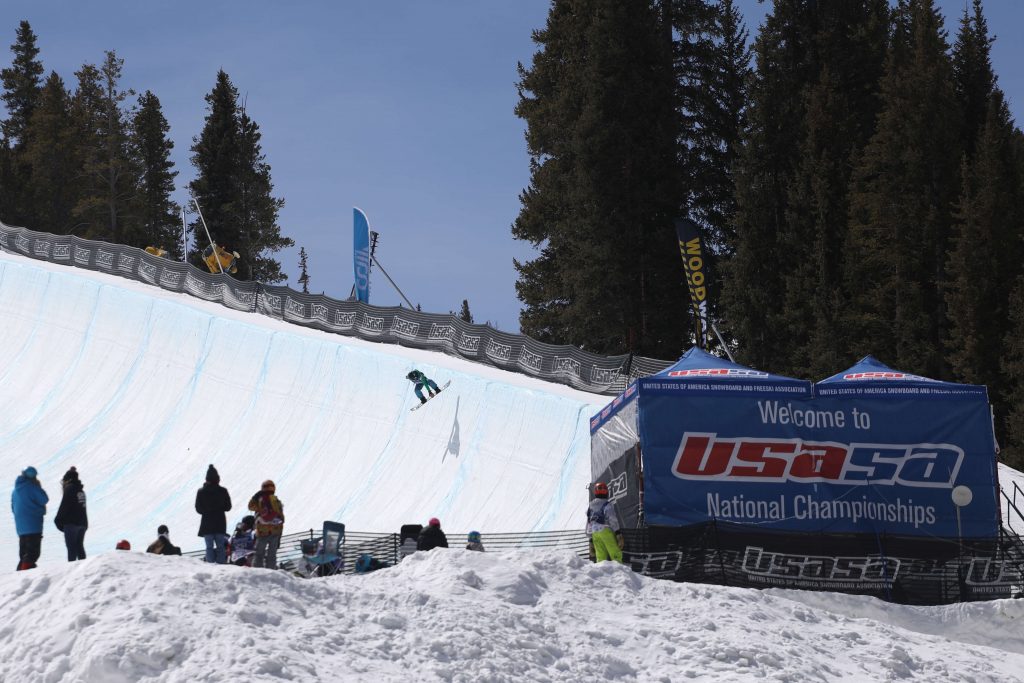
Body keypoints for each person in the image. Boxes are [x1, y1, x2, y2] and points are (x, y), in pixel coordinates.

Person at [11, 466, 49, 570]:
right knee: (32, 554)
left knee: (24, 554)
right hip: (33, 525)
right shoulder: (32, 487)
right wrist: (39, 487)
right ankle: (24, 571)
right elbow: (44, 499)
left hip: (21, 528)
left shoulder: (15, 490)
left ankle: (21, 574)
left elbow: (13, 508)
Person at [195, 464, 232, 564]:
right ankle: (221, 566)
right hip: (220, 522)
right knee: (220, 546)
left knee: (209, 547)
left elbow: (198, 508)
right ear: (218, 479)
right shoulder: (223, 491)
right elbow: (228, 507)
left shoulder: (201, 492)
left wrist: (207, 511)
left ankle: (210, 566)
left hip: (207, 523)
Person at [54, 466, 88, 562]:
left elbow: (64, 506)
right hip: (82, 524)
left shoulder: (69, 489)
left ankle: (71, 572)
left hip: (71, 524)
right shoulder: (81, 491)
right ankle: (85, 569)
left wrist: (57, 520)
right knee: (79, 547)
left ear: (67, 480)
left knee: (72, 548)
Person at [248, 480, 284, 569]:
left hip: (262, 530)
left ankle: (257, 571)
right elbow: (282, 518)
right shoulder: (277, 501)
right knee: (272, 554)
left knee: (259, 553)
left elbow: (250, 506)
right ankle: (271, 571)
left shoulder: (259, 499)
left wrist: (255, 496)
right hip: (275, 530)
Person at [586, 482, 624, 563]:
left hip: (594, 533)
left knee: (600, 557)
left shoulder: (591, 506)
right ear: (606, 492)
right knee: (615, 554)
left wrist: (590, 540)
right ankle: (620, 574)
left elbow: (589, 522)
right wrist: (618, 533)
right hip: (606, 531)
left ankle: (601, 573)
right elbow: (612, 519)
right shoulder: (607, 504)